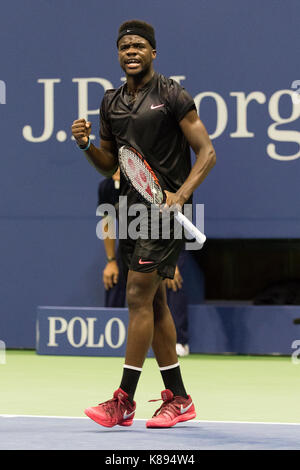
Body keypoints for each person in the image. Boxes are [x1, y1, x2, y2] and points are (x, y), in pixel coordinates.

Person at [71, 19, 216, 429]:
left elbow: (206, 152)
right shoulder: (111, 102)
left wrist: (181, 195)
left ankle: (123, 400)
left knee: (136, 293)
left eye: (139, 45)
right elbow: (110, 162)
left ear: (153, 53)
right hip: (134, 210)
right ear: (118, 55)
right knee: (153, 303)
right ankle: (180, 398)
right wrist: (85, 146)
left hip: (168, 212)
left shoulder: (172, 93)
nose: (131, 51)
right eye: (124, 47)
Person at [99, 169, 190, 356]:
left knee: (171, 279)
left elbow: (169, 220)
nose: (115, 170)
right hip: (131, 240)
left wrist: (169, 262)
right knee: (114, 276)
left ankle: (180, 342)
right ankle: (113, 340)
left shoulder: (146, 183)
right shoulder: (106, 187)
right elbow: (107, 223)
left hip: (166, 238)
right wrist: (111, 261)